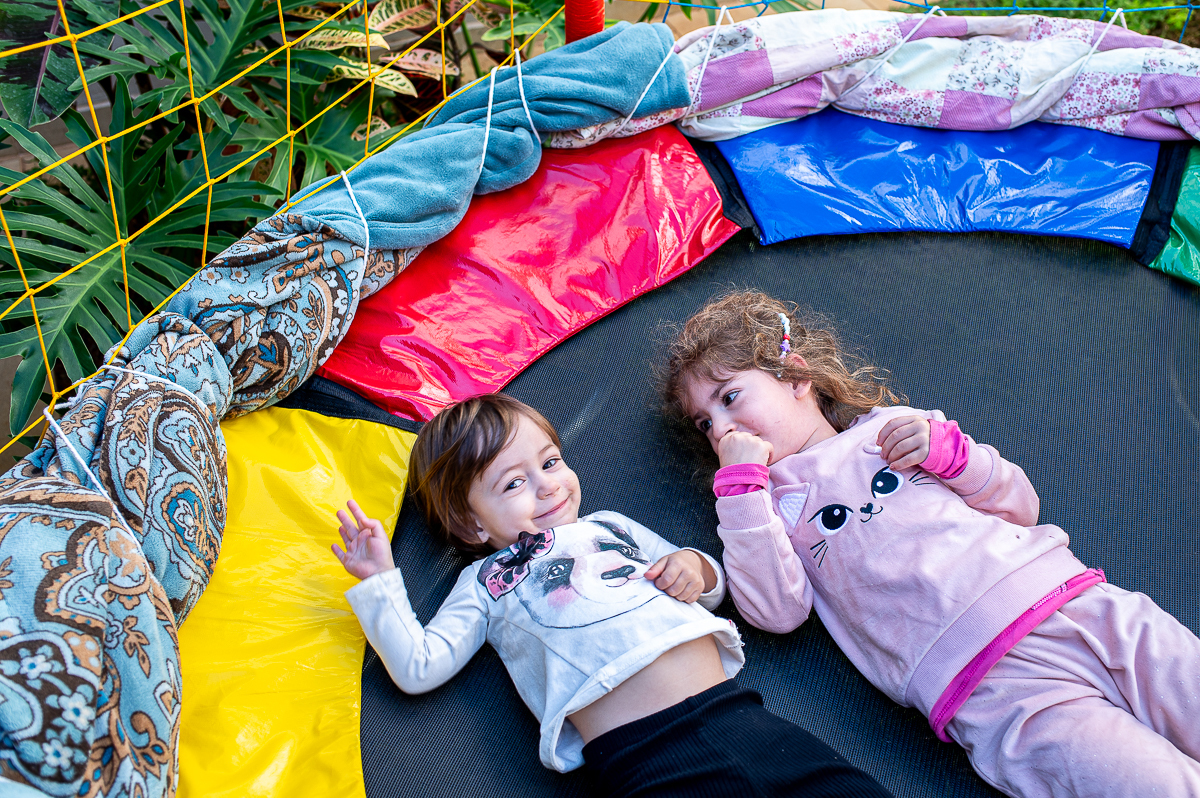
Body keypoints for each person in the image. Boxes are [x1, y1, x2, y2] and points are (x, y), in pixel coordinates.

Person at [661, 290, 1200, 798]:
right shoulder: (764, 507)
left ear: (796, 376)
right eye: (706, 423)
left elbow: (1018, 505)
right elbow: (776, 611)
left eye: (730, 397)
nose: (722, 429)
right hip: (992, 690)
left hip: (1080, 609)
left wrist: (956, 457)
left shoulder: (894, 429)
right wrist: (740, 491)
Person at [332, 393, 893, 797]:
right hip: (646, 759)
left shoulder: (610, 525)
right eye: (513, 483)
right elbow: (418, 666)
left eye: (549, 463)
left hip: (743, 716)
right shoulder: (484, 583)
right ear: (471, 524)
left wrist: (694, 567)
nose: (549, 484)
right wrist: (380, 580)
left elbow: (713, 585)